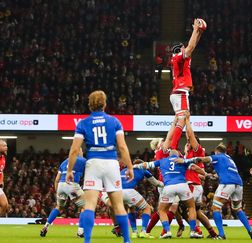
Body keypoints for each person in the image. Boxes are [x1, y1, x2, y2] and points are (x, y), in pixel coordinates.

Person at [66, 90, 134, 243]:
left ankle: (87, 241)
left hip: (93, 163)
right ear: (105, 104)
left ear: (89, 105)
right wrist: (129, 167)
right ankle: (127, 241)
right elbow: (122, 147)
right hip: (111, 163)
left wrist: (70, 170)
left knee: (90, 204)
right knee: (118, 205)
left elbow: (75, 150)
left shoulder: (83, 123)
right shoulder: (115, 121)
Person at [180, 144, 252, 240]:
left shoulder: (218, 156)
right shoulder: (229, 159)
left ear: (217, 151)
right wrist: (212, 176)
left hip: (227, 183)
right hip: (239, 184)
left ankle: (221, 235)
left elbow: (204, 159)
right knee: (238, 209)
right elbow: (223, 172)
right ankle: (251, 231)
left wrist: (188, 160)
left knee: (215, 208)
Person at [135, 150, 203, 239]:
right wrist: (204, 173)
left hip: (168, 186)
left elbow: (146, 165)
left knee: (162, 210)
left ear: (169, 155)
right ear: (178, 155)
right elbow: (194, 167)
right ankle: (193, 231)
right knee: (191, 207)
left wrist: (134, 166)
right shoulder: (182, 160)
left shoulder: (162, 161)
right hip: (182, 185)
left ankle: (167, 231)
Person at [181, 113, 219, 238]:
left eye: (189, 141)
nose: (188, 142)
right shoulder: (190, 152)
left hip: (192, 185)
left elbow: (190, 135)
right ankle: (212, 233)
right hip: (195, 185)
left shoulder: (198, 150)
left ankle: (195, 231)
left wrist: (187, 121)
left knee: (185, 209)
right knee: (196, 211)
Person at [169, 18, 204, 150]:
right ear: (179, 49)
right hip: (180, 92)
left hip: (177, 91)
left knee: (181, 119)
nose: (186, 47)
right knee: (183, 119)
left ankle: (173, 146)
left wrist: (199, 33)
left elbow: (192, 46)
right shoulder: (178, 56)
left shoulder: (178, 59)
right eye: (183, 47)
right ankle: (173, 147)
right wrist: (195, 29)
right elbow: (190, 47)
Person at [40, 149, 87, 237]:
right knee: (85, 207)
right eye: (81, 151)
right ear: (77, 152)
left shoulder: (64, 162)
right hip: (72, 185)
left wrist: (57, 191)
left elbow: (57, 179)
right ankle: (80, 231)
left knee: (59, 207)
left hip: (61, 185)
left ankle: (46, 226)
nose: (82, 153)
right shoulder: (82, 160)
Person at [120, 163, 164, 239]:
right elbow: (156, 183)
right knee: (147, 208)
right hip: (129, 191)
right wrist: (166, 184)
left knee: (130, 208)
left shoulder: (123, 170)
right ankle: (143, 231)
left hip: (118, 192)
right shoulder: (143, 169)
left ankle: (134, 232)